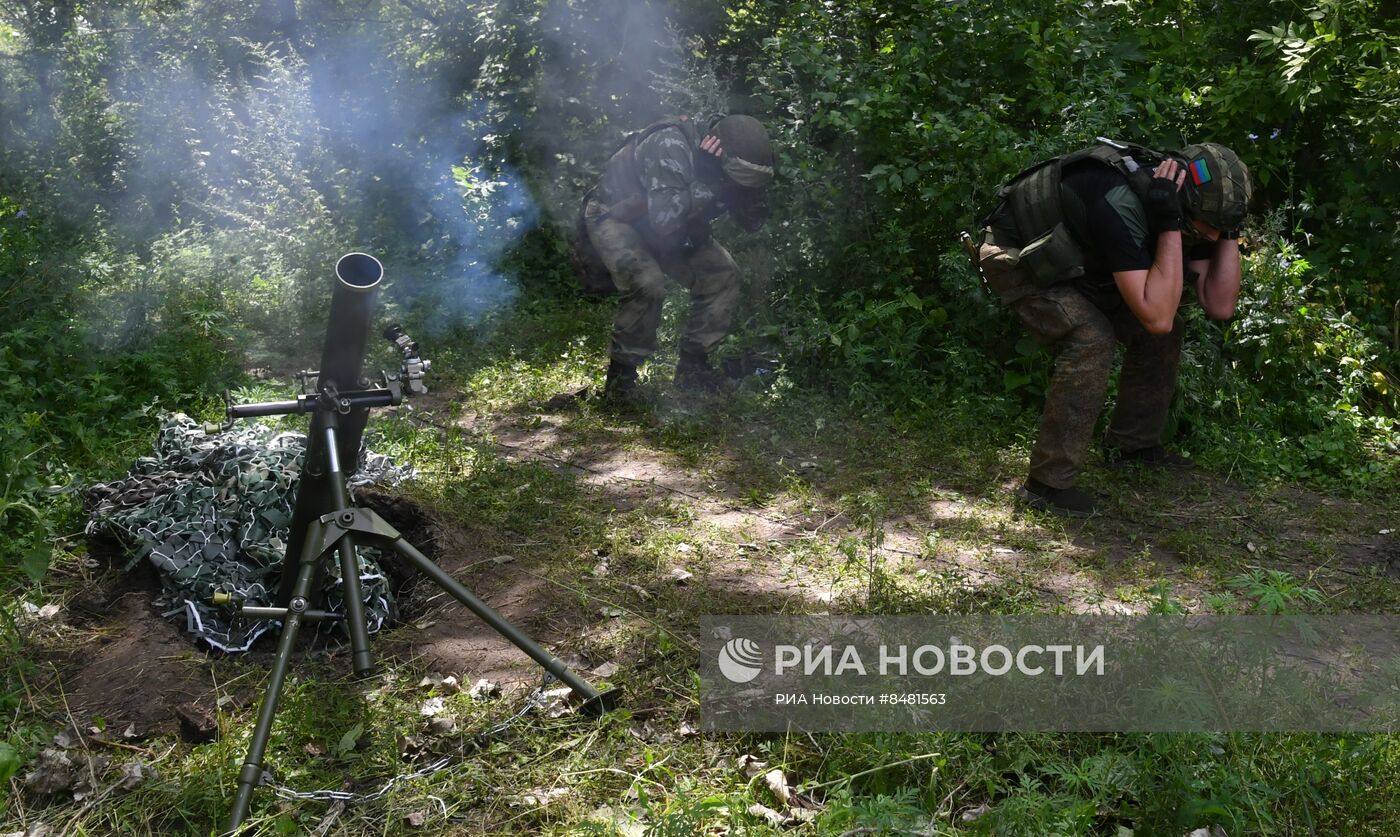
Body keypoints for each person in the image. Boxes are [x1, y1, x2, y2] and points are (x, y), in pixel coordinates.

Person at [975, 140, 1252, 516]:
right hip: (1021, 256)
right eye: (1210, 228)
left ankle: (1132, 447)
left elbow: (1219, 305)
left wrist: (1229, 228)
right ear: (1183, 203)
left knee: (1166, 333)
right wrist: (1169, 223)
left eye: (1223, 229)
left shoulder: (1198, 211)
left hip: (1083, 262)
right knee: (1091, 339)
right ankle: (1045, 487)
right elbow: (1155, 313)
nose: (1214, 238)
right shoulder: (1123, 200)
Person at [582, 114, 774, 403]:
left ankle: (693, 371)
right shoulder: (670, 145)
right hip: (618, 216)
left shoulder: (731, 162)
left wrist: (745, 195)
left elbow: (751, 222)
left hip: (671, 222)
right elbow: (664, 222)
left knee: (722, 274)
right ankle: (621, 382)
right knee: (647, 283)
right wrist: (708, 180)